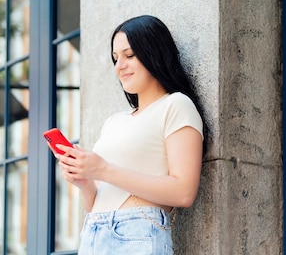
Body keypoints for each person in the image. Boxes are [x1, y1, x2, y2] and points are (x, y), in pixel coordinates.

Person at [54, 15, 205, 255]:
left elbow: (184, 191)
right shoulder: (114, 121)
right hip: (94, 233)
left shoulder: (176, 105)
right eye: (115, 58)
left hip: (137, 235)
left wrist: (102, 169)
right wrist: (85, 182)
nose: (119, 66)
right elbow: (96, 203)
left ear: (154, 53)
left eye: (129, 55)